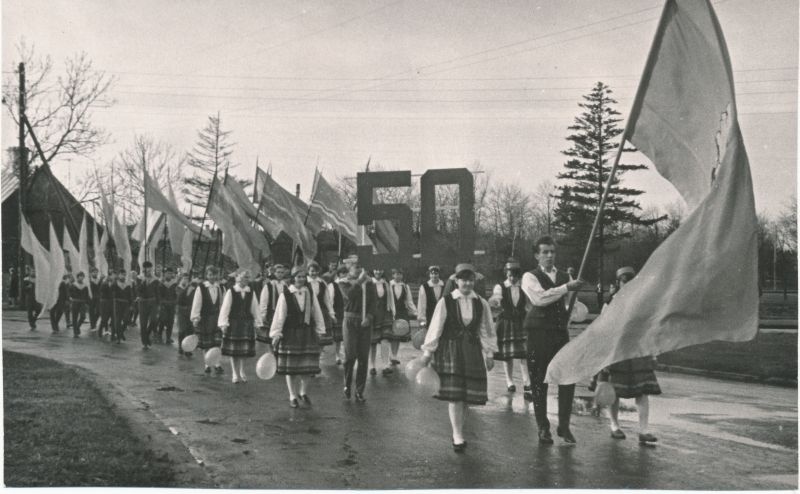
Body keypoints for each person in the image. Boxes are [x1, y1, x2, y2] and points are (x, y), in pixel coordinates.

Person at [420, 263, 497, 453]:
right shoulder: (446, 301)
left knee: (467, 395)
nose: (467, 284)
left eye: (471, 280)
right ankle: (457, 435)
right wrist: (427, 354)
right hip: (450, 350)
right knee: (455, 396)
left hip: (471, 350)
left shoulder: (481, 303)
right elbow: (435, 328)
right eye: (464, 279)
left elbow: (487, 330)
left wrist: (489, 353)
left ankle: (459, 430)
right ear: (456, 281)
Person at [521, 236, 584, 445]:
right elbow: (540, 298)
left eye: (552, 252)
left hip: (559, 333)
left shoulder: (566, 276)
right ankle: (543, 427)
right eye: (545, 252)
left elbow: (573, 308)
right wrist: (567, 288)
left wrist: (574, 307)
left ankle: (564, 426)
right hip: (538, 334)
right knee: (539, 381)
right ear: (537, 255)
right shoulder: (529, 277)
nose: (549, 256)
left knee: (567, 378)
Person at [598, 266, 660, 445]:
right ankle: (614, 425)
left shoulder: (643, 302)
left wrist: (652, 352)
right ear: (619, 283)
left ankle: (643, 430)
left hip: (638, 350)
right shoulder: (612, 302)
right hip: (617, 349)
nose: (628, 284)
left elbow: (648, 327)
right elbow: (603, 329)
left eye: (631, 281)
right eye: (625, 281)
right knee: (614, 391)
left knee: (642, 390)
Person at [270, 266, 327, 407]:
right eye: (298, 276)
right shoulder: (286, 294)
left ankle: (303, 392)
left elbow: (317, 312)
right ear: (293, 278)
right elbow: (279, 315)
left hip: (307, 333)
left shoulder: (309, 293)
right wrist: (276, 333)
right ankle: (292, 395)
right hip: (290, 333)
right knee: (291, 368)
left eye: (303, 276)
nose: (301, 279)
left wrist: (320, 330)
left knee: (307, 366)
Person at [489, 259, 532, 398]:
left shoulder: (523, 287)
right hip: (506, 322)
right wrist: (495, 301)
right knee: (508, 355)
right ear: (506, 274)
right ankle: (509, 381)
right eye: (509, 275)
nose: (512, 278)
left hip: (521, 322)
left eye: (514, 275)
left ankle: (527, 383)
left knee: (524, 354)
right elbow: (496, 297)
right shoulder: (500, 286)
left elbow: (529, 303)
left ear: (518, 275)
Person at [339, 263, 376, 402]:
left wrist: (369, 317)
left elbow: (374, 302)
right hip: (350, 321)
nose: (359, 269)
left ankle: (360, 391)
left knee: (363, 357)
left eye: (361, 266)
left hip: (365, 322)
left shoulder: (370, 283)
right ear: (349, 269)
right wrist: (359, 282)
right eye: (356, 266)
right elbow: (349, 296)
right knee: (350, 355)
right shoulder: (343, 282)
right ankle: (347, 384)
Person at [219, 270, 263, 384]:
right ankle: (234, 372)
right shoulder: (231, 291)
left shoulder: (250, 292)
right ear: (237, 278)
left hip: (247, 323)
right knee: (234, 351)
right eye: (244, 277)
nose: (246, 280)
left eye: (248, 278)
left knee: (244, 350)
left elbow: (255, 308)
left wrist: (258, 323)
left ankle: (242, 371)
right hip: (234, 323)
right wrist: (223, 324)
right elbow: (225, 308)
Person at [191, 265, 225, 375]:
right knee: (206, 343)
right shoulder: (201, 288)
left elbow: (222, 305)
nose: (212, 277)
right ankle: (207, 364)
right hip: (205, 318)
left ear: (217, 275)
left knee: (216, 343)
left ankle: (217, 363)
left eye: (214, 274)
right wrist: (195, 317)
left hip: (216, 318)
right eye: (210, 274)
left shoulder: (221, 288)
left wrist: (223, 319)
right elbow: (197, 303)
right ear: (207, 275)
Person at [384, 268, 417, 366]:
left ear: (402, 275)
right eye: (396, 274)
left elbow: (409, 301)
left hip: (402, 312)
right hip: (391, 312)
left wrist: (415, 312)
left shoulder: (405, 287)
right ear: (393, 275)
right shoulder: (388, 285)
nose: (398, 276)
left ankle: (394, 355)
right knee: (391, 335)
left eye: (400, 274)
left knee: (398, 334)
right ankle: (389, 355)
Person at [307, 262, 336, 349]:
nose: (314, 273)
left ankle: (320, 358)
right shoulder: (305, 282)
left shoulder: (322, 283)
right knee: (310, 337)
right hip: (308, 312)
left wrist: (332, 314)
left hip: (321, 311)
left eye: (316, 271)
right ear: (308, 271)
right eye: (312, 271)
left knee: (322, 338)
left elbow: (327, 300)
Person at [370, 268, 392, 376]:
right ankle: (372, 366)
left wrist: (392, 312)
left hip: (384, 315)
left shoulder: (386, 284)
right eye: (376, 270)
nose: (378, 272)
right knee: (372, 342)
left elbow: (390, 300)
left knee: (385, 340)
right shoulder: (369, 283)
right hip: (372, 315)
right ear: (372, 271)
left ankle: (385, 365)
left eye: (380, 270)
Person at [328, 266, 350, 365]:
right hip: (338, 312)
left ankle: (344, 355)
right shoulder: (333, 285)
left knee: (345, 336)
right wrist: (332, 314)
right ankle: (336, 356)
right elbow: (330, 301)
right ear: (338, 274)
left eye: (346, 273)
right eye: (343, 273)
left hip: (347, 312)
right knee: (337, 337)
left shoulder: (349, 284)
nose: (345, 275)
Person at [137, 261, 161, 350]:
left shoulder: (155, 279)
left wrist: (159, 304)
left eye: (150, 268)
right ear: (143, 269)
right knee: (143, 323)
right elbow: (138, 291)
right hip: (143, 302)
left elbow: (158, 293)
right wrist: (143, 282)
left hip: (153, 302)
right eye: (147, 268)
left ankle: (147, 334)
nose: (149, 270)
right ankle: (145, 342)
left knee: (154, 320)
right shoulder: (139, 278)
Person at [176, 273, 195, 357]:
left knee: (190, 331)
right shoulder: (178, 288)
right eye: (184, 278)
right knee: (182, 330)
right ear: (181, 279)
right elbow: (179, 298)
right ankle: (180, 347)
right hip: (181, 311)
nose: (185, 280)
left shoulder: (192, 288)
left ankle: (187, 349)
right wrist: (187, 289)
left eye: (187, 279)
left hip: (190, 311)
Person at [111, 269, 133, 344]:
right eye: (122, 274)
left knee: (126, 320)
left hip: (126, 304)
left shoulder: (127, 285)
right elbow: (111, 292)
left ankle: (121, 333)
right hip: (117, 303)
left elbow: (130, 295)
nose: (123, 276)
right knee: (118, 321)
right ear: (119, 275)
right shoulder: (115, 283)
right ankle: (118, 337)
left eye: (124, 274)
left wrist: (131, 305)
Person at [157, 267, 178, 344]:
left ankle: (168, 337)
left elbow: (176, 294)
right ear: (165, 274)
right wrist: (162, 302)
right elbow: (159, 295)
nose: (170, 275)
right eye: (168, 273)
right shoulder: (161, 283)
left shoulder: (174, 284)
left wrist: (175, 301)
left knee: (171, 321)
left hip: (171, 305)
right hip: (164, 305)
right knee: (162, 320)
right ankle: (159, 335)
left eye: (171, 273)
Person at [69, 271, 91, 337]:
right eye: (80, 277)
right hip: (75, 302)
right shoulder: (73, 285)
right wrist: (71, 299)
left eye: (82, 277)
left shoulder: (85, 286)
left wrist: (88, 303)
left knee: (83, 316)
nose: (81, 278)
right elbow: (70, 293)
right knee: (74, 317)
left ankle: (77, 327)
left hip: (82, 303)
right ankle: (75, 332)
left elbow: (87, 295)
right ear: (77, 277)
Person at [98, 272, 116, 338]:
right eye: (113, 275)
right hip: (105, 303)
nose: (114, 276)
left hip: (112, 302)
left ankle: (113, 335)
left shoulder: (114, 283)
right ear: (109, 276)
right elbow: (102, 292)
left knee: (114, 319)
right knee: (104, 318)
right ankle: (100, 332)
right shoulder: (104, 283)